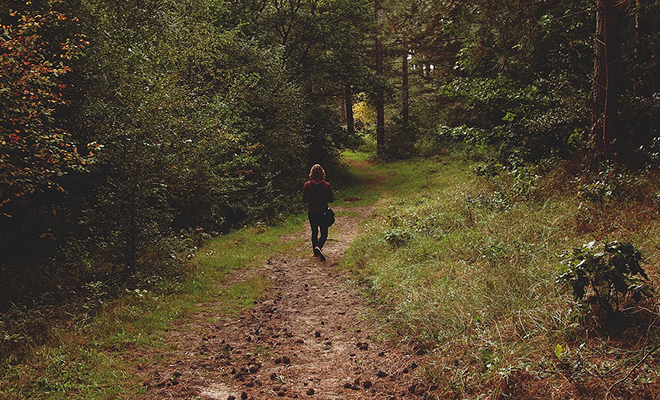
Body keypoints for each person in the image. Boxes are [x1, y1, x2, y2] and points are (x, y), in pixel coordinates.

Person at [302, 164, 334, 261]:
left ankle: (315, 253)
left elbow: (304, 200)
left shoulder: (307, 185)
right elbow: (331, 200)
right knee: (324, 233)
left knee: (314, 232)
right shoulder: (326, 185)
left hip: (312, 212)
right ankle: (319, 247)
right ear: (322, 173)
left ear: (311, 173)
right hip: (323, 212)